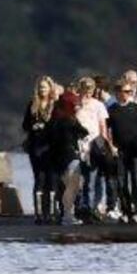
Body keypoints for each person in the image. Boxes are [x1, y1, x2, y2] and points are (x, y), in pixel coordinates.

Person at [107, 79, 137, 223]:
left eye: (130, 91)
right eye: (125, 91)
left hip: (135, 151)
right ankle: (125, 211)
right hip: (120, 151)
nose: (127, 94)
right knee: (121, 183)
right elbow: (107, 130)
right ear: (117, 92)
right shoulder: (111, 110)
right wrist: (111, 146)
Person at [76, 76, 116, 220]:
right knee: (78, 180)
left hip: (94, 146)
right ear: (79, 90)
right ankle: (81, 207)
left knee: (93, 179)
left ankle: (91, 208)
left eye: (90, 90)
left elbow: (102, 126)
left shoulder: (98, 105)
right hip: (78, 146)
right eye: (85, 90)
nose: (87, 93)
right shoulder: (75, 104)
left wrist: (106, 145)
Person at [49, 91, 88, 225]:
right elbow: (84, 132)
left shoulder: (54, 119)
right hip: (71, 155)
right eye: (74, 104)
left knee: (63, 186)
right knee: (72, 186)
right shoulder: (70, 120)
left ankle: (64, 214)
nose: (76, 106)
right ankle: (68, 216)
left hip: (57, 158)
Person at [22, 75, 57, 224]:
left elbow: (60, 124)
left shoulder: (55, 104)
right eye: (41, 87)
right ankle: (39, 214)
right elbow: (24, 125)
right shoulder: (32, 104)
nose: (43, 89)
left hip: (51, 147)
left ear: (50, 89)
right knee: (39, 178)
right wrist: (33, 126)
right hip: (35, 146)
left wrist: (47, 127)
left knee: (52, 179)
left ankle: (52, 213)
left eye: (45, 87)